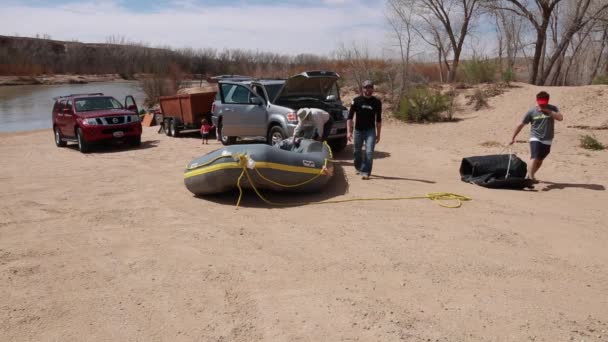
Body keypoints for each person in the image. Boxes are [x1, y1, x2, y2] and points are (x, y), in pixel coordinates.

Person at [509, 91, 564, 181]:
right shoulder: (532, 111)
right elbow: (521, 124)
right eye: (540, 103)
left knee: (539, 160)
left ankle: (530, 175)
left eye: (544, 104)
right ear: (537, 101)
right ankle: (530, 178)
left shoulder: (553, 108)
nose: (542, 105)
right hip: (535, 137)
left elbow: (560, 118)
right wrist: (513, 137)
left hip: (548, 139)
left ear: (547, 101)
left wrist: (548, 111)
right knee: (534, 157)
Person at [347, 80, 382, 180]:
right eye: (366, 87)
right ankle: (358, 167)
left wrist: (378, 134)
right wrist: (349, 132)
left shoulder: (377, 102)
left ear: (373, 89)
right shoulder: (356, 101)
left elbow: (378, 120)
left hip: (370, 131)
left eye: (370, 87)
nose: (368, 89)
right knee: (357, 151)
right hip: (358, 131)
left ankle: (366, 172)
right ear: (362, 89)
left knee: (369, 152)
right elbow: (350, 117)